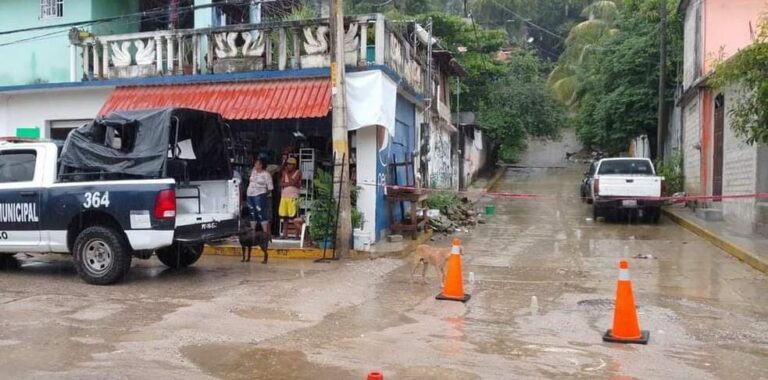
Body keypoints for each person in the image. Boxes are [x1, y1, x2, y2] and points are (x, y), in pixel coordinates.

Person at [246, 157, 273, 243]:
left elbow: (270, 188)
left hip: (260, 195)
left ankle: (265, 235)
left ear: (261, 165)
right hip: (250, 194)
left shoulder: (266, 174)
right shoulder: (253, 172)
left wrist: (263, 194)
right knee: (252, 213)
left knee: (261, 214)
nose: (255, 165)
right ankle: (252, 235)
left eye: (257, 164)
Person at [279, 156, 302, 238]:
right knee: (285, 216)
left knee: (294, 216)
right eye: (288, 164)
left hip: (293, 196)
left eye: (291, 164)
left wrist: (287, 182)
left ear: (294, 165)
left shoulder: (298, 172)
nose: (289, 166)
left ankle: (297, 235)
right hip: (284, 196)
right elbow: (281, 183)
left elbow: (293, 181)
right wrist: (290, 183)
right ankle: (285, 235)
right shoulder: (284, 172)